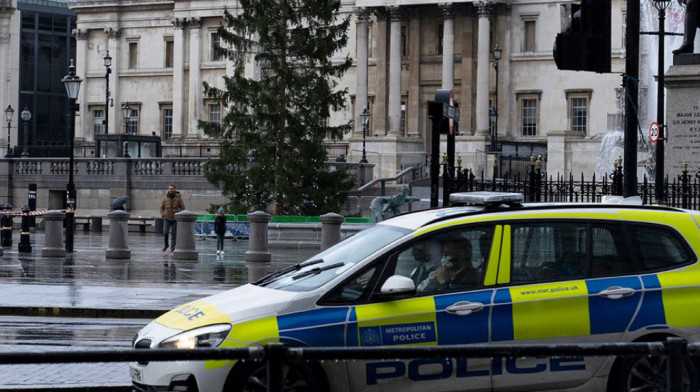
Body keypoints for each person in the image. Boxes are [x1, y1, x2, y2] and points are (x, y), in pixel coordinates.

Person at [160, 184, 185, 253]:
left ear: (174, 189)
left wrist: (178, 213)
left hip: (175, 218)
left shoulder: (178, 198)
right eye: (169, 188)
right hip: (166, 217)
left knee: (174, 234)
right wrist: (163, 215)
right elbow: (161, 208)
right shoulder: (165, 197)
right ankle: (166, 245)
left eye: (172, 188)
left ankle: (173, 248)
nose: (170, 190)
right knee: (165, 232)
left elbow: (183, 208)